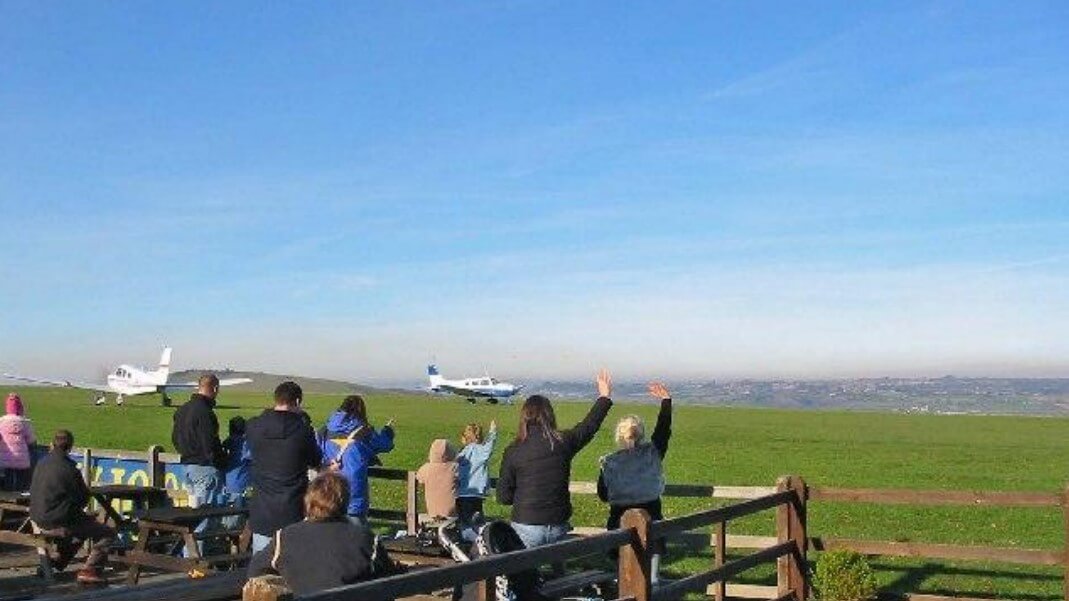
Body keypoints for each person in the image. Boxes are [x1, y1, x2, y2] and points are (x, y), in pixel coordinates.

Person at [497, 369, 614, 548]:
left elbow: (504, 497)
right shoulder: (563, 443)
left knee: (522, 574)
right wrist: (604, 397)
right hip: (559, 525)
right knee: (558, 573)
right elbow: (589, 426)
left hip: (525, 526)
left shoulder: (513, 451)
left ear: (524, 418)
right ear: (550, 416)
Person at [247, 472, 391, 595]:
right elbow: (392, 579)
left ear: (309, 500)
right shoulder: (366, 539)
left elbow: (255, 570)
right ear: (344, 501)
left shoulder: (285, 537)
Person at [597, 382, 673, 583]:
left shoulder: (609, 463)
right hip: (652, 520)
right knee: (652, 582)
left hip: (619, 523)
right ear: (642, 433)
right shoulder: (653, 454)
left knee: (625, 580)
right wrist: (666, 401)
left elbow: (604, 495)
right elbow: (663, 430)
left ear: (618, 436)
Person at [29, 430, 116, 585]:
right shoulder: (70, 469)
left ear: (51, 444)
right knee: (106, 532)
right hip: (56, 520)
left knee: (81, 528)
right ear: (70, 448)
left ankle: (55, 563)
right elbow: (83, 497)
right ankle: (91, 570)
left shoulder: (41, 463)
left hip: (36, 517)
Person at [246, 381, 323, 553]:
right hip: (292, 508)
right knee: (292, 567)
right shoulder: (303, 431)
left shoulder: (253, 426)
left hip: (262, 508)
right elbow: (315, 459)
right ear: (297, 402)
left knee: (260, 566)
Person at [171, 374, 226, 555]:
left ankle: (189, 558)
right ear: (215, 389)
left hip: (187, 466)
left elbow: (175, 438)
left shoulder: (182, 410)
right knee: (203, 519)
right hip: (204, 468)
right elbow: (210, 443)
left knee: (193, 517)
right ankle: (194, 562)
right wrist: (220, 461)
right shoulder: (205, 412)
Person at [319, 395, 395, 525]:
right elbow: (384, 445)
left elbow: (317, 454)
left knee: (331, 532)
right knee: (356, 534)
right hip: (354, 490)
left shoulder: (325, 430)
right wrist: (387, 432)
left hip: (330, 487)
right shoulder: (364, 431)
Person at [456, 420, 497, 525]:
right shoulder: (480, 451)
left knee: (463, 524)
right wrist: (492, 431)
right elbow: (489, 446)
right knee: (476, 524)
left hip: (460, 494)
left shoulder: (461, 453)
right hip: (476, 494)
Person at [0, 392, 36, 491]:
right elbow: (31, 440)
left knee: (8, 479)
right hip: (22, 459)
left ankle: (8, 499)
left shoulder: (1, 422)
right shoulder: (25, 422)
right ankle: (20, 496)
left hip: (5, 459)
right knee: (21, 481)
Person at [415, 439, 458, 519]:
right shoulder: (454, 468)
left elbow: (419, 478)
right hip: (453, 512)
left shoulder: (426, 468)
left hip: (432, 511)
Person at [221, 416, 252, 529]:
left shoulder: (226, 442)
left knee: (225, 517)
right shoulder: (244, 444)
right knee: (235, 522)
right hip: (239, 487)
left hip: (225, 485)